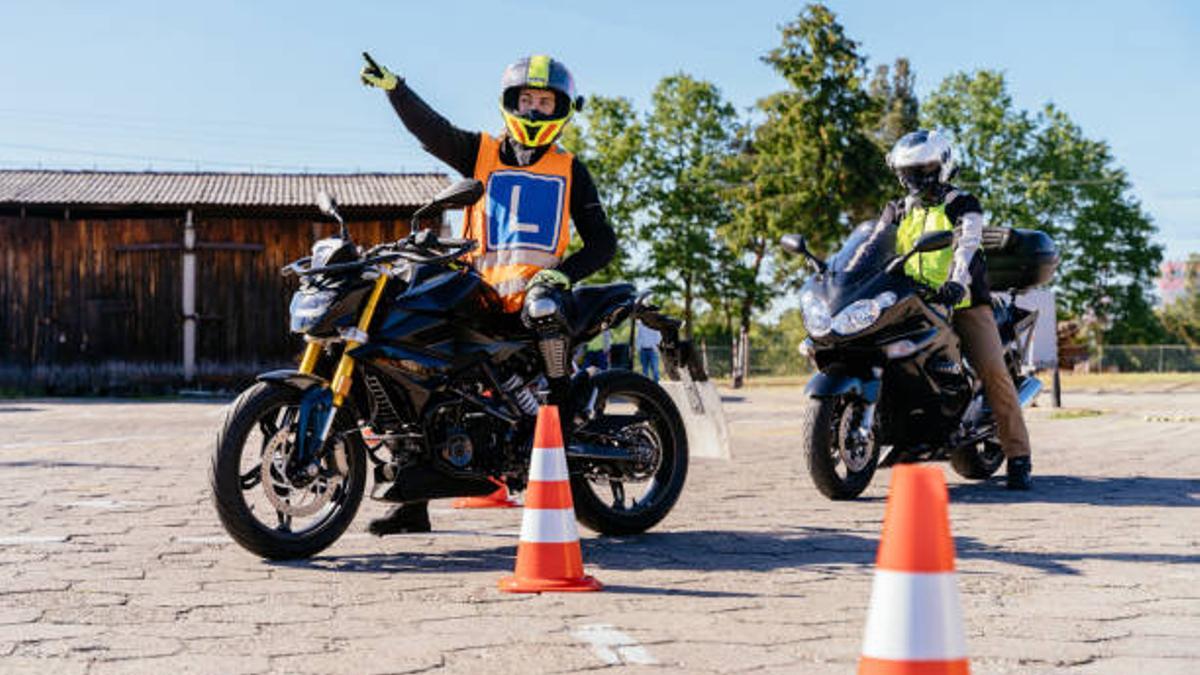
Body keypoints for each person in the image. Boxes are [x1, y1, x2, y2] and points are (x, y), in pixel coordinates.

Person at [360, 54, 617, 533]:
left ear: (561, 107)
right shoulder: (481, 151)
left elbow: (604, 243)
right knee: (413, 361)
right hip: (478, 296)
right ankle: (414, 502)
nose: (536, 111)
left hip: (537, 301)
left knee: (544, 312)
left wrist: (562, 275)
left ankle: (558, 438)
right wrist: (396, 88)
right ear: (511, 104)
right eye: (527, 101)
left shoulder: (571, 169)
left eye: (545, 102)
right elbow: (431, 131)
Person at [879, 129, 1033, 490]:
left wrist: (957, 281)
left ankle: (1019, 456)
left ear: (942, 166)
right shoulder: (896, 209)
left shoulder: (962, 203)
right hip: (910, 303)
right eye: (909, 171)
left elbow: (967, 243)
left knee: (993, 371)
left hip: (961, 301)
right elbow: (874, 244)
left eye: (924, 169)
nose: (915, 178)